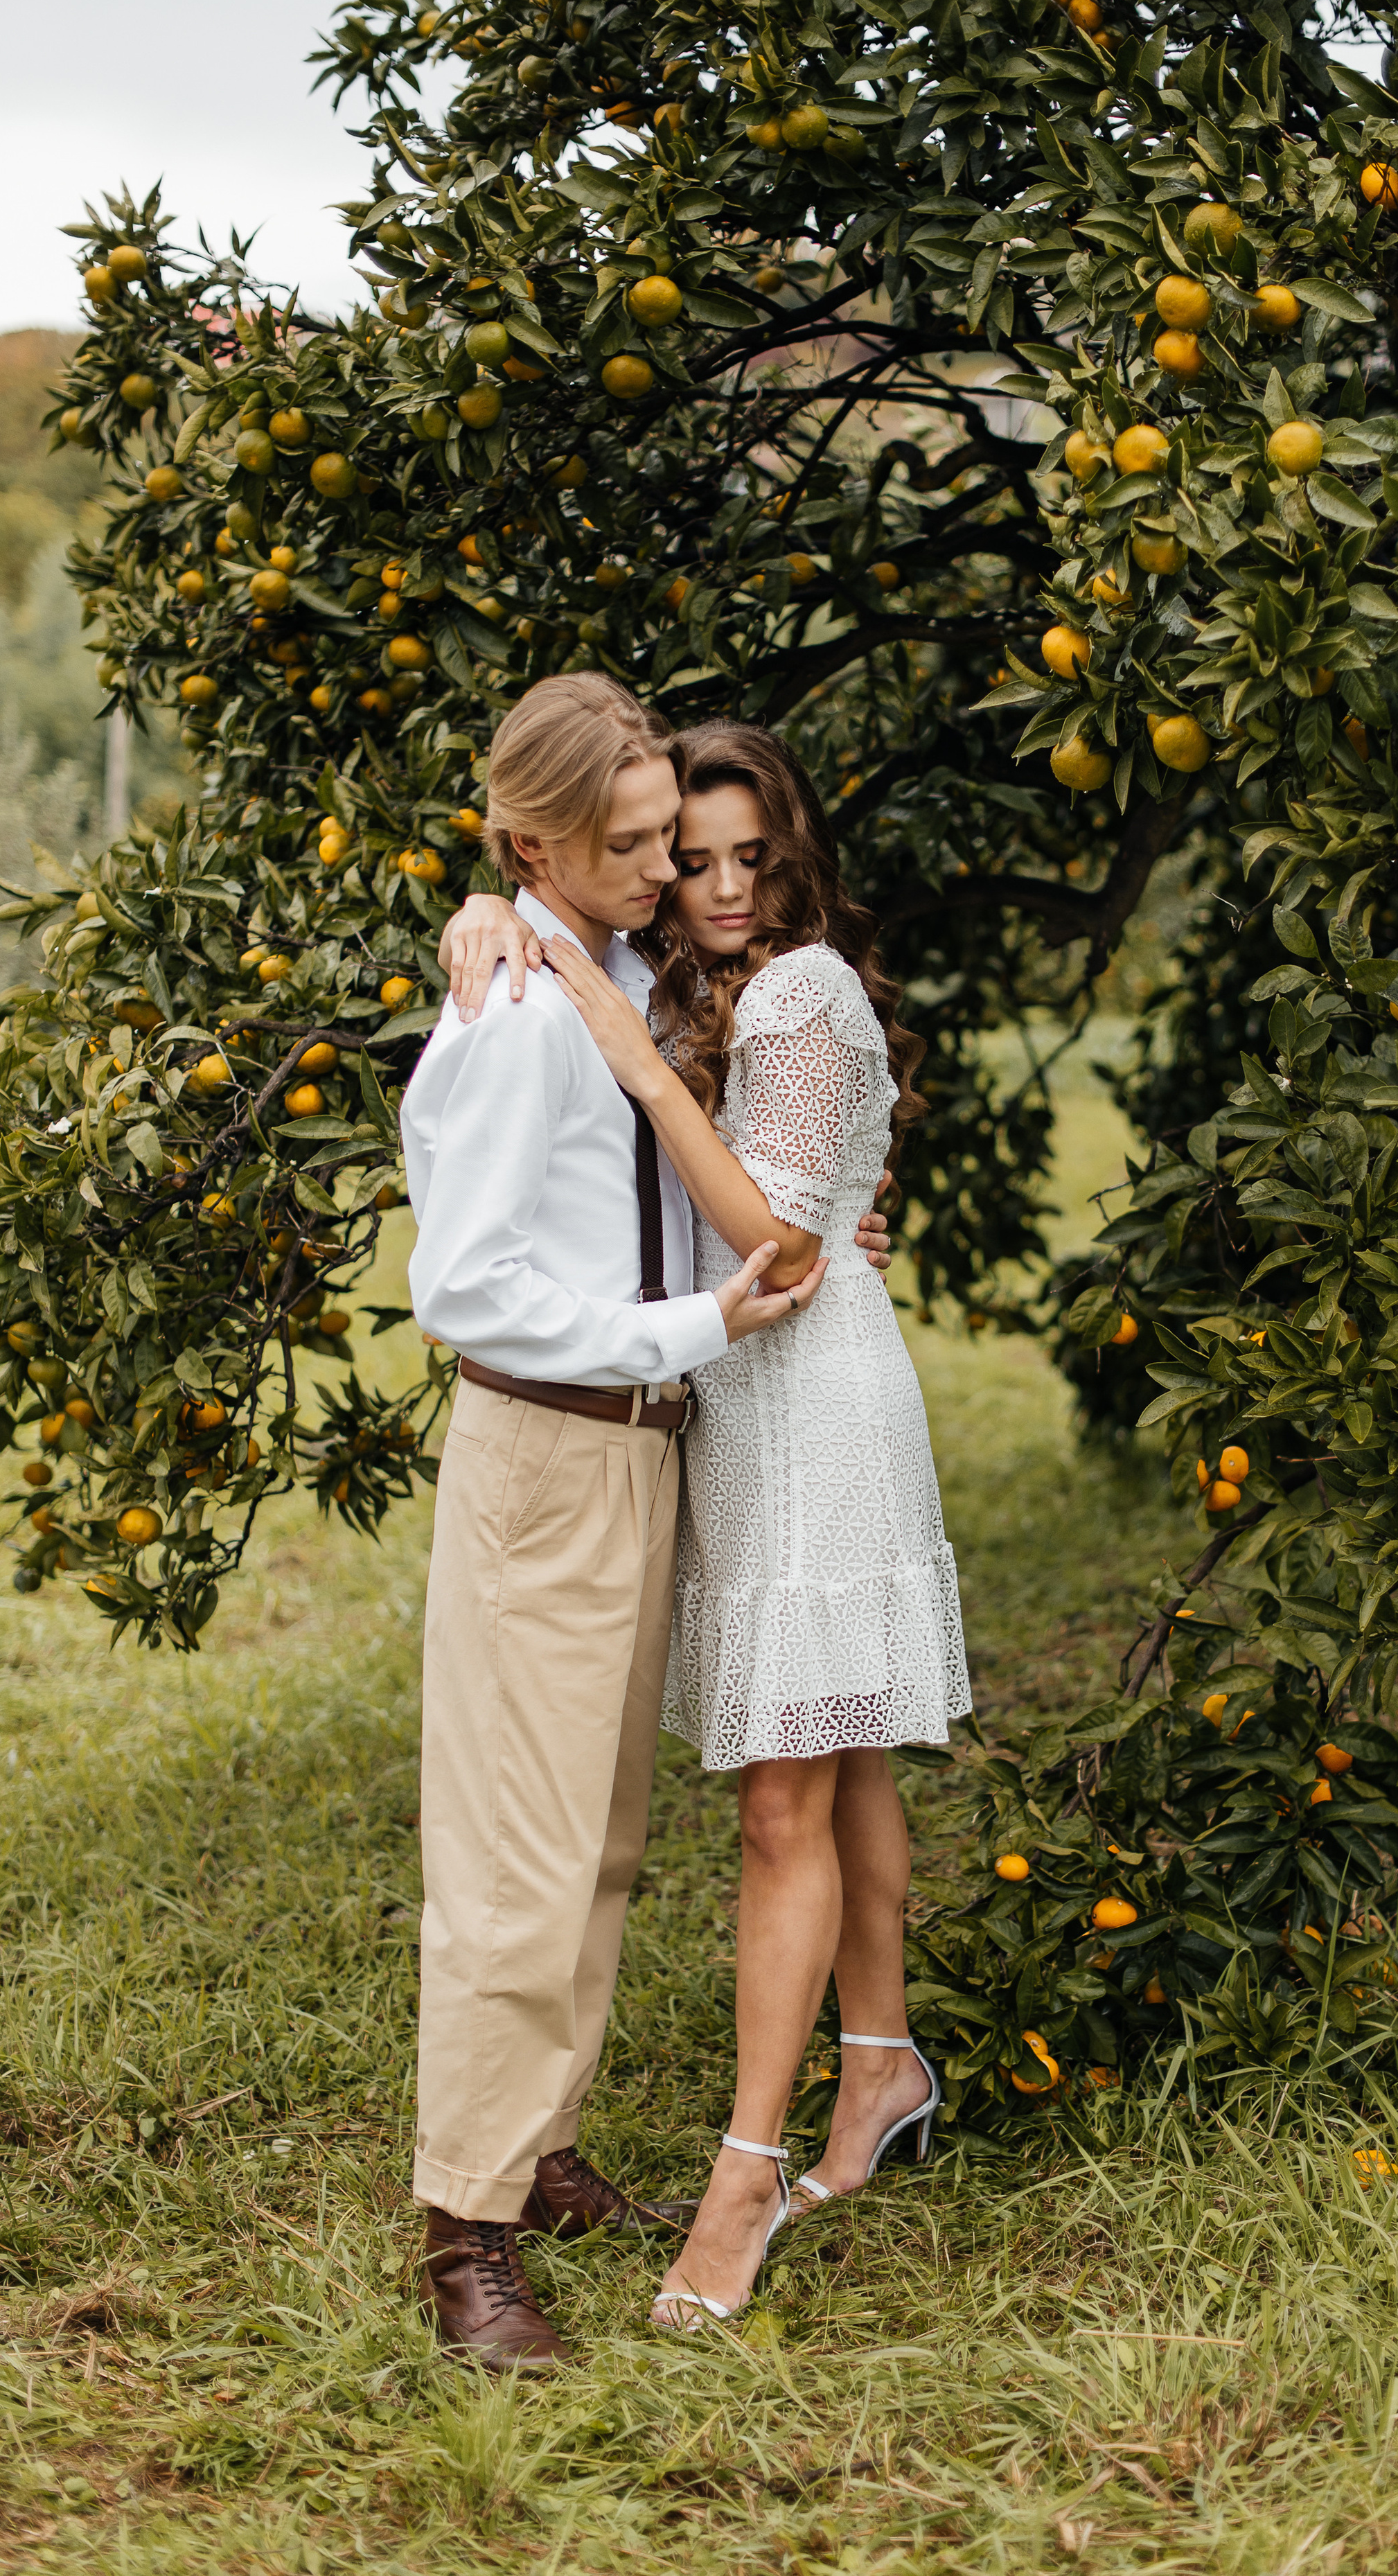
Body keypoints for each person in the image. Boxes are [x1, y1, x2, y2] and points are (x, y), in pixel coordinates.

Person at [440, 716, 971, 2329]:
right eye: (694, 855)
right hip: (732, 1402)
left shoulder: (789, 988)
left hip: (802, 1405)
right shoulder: (667, 987)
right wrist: (493, 923)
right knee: (838, 1754)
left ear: (794, 856)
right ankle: (874, 2067)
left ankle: (745, 2175)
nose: (718, 881)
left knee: (777, 1803)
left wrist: (619, 1031)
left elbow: (781, 1246)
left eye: (752, 855)